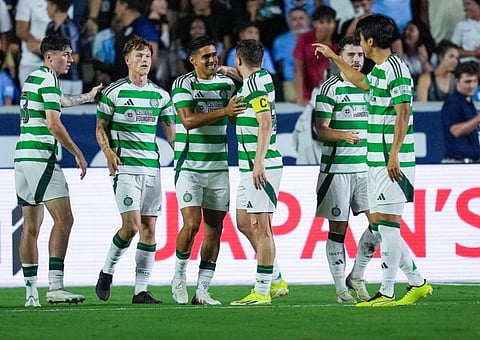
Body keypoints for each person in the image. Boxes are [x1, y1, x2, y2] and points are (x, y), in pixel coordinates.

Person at [313, 14, 433, 307]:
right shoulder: (380, 70)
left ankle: (388, 291)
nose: (359, 49)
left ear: (369, 40)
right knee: (381, 223)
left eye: (360, 41)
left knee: (388, 225)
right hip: (377, 160)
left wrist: (393, 156)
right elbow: (360, 81)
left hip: (392, 160)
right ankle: (417, 282)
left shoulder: (397, 70)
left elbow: (403, 112)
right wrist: (333, 57)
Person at [14, 34, 103, 307]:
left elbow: (61, 101)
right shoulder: (49, 79)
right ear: (50, 56)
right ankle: (55, 286)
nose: (71, 59)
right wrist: (78, 153)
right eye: (66, 53)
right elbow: (53, 123)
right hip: (42, 157)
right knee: (65, 220)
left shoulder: (34, 79)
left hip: (22, 157)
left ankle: (31, 294)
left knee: (31, 226)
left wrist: (88, 96)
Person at [94, 36, 175, 304]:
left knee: (149, 230)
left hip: (152, 169)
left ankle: (141, 290)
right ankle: (107, 271)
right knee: (131, 226)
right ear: (127, 60)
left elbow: (172, 134)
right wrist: (108, 152)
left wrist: (183, 156)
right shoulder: (113, 92)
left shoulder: (161, 95)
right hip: (125, 168)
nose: (144, 60)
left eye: (148, 56)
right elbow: (100, 127)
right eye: (139, 56)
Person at [170, 35, 245, 306]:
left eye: (215, 55)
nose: (212, 59)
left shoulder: (226, 84)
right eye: (206, 56)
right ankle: (178, 277)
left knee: (215, 228)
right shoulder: (183, 83)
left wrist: (229, 72)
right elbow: (188, 121)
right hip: (189, 166)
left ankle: (202, 289)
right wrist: (225, 110)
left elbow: (253, 77)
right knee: (191, 225)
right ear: (192, 60)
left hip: (218, 167)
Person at [314, 35, 380, 304]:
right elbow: (321, 130)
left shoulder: (368, 87)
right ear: (341, 56)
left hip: (365, 170)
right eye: (350, 54)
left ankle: (358, 274)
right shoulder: (330, 88)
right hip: (337, 170)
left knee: (380, 225)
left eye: (359, 55)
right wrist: (344, 135)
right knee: (338, 230)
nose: (356, 59)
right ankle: (341, 288)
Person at [229, 39, 283, 306]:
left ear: (238, 60)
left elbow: (265, 122)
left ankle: (262, 290)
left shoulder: (253, 84)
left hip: (261, 165)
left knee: (262, 228)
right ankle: (276, 277)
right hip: (247, 166)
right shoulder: (263, 78)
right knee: (242, 222)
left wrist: (259, 163)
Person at [293, 5, 338, 105]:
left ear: (335, 23)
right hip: (308, 96)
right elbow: (297, 70)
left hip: (332, 95)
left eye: (329, 22)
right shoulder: (304, 39)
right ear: (314, 23)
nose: (325, 26)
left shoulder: (339, 43)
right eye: (321, 22)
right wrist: (300, 98)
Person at [440, 61, 480, 163]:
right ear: (457, 81)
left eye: (475, 81)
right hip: (457, 163)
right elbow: (455, 131)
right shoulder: (453, 103)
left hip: (471, 163)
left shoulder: (469, 103)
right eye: (467, 81)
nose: (472, 86)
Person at [112, 0, 159, 81]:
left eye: (117, 6)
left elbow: (152, 60)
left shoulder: (144, 27)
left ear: (125, 6)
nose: (115, 10)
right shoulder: (125, 29)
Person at [273, 6, 310, 103]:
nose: (298, 22)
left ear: (308, 21)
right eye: (294, 19)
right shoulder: (280, 41)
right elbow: (279, 66)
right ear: (288, 23)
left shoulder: (317, 38)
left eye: (301, 18)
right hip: (291, 83)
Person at [46, 0, 83, 94]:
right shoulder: (50, 26)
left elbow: (75, 57)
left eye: (48, 5)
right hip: (54, 78)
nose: (46, 8)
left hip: (70, 80)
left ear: (55, 7)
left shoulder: (70, 27)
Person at [15, 0, 50, 86]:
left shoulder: (64, 2)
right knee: (29, 99)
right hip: (30, 62)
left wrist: (46, 49)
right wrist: (43, 48)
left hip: (54, 64)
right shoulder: (26, 1)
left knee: (53, 99)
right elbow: (21, 30)